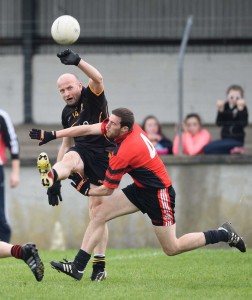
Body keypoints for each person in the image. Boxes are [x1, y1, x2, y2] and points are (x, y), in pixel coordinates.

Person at [29, 107, 246, 281]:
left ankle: (223, 233)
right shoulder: (124, 128)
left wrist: (83, 188)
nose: (107, 125)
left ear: (124, 129)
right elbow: (87, 129)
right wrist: (53, 135)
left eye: (112, 123)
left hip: (159, 194)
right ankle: (78, 267)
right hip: (141, 188)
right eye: (110, 121)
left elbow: (106, 189)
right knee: (99, 214)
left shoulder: (125, 151)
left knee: (172, 247)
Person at [33, 49, 115, 281]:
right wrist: (55, 183)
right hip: (81, 153)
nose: (66, 93)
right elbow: (66, 143)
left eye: (69, 88)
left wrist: (78, 61)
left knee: (97, 213)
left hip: (102, 156)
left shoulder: (93, 96)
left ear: (79, 85)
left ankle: (99, 265)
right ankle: (52, 176)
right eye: (61, 91)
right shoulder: (66, 113)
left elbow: (98, 78)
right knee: (69, 157)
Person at [203, 84, 249, 154]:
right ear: (227, 96)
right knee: (209, 150)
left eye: (237, 97)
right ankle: (234, 151)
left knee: (208, 148)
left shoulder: (243, 108)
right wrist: (220, 111)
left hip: (237, 140)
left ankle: (238, 149)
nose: (234, 99)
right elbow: (219, 123)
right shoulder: (225, 106)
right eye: (231, 97)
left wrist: (241, 111)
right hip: (225, 139)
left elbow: (243, 124)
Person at [0, 109, 20, 242]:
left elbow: (13, 144)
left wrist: (15, 172)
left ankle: (4, 247)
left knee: (0, 216)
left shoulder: (2, 116)